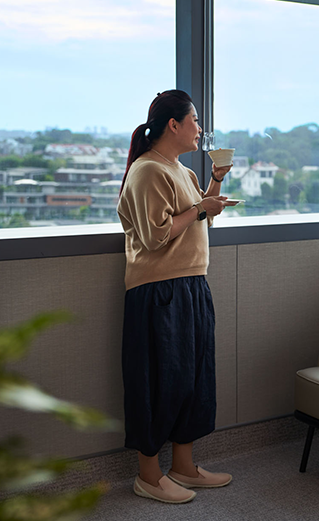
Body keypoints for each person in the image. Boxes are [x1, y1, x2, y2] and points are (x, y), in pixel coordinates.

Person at [117, 89, 238, 504]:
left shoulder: (181, 170)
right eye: (195, 121)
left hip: (190, 284)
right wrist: (203, 209)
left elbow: (194, 217)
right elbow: (155, 236)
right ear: (174, 124)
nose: (200, 130)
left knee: (192, 379)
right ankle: (148, 476)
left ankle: (183, 467)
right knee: (158, 381)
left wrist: (215, 182)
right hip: (158, 290)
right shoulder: (148, 170)